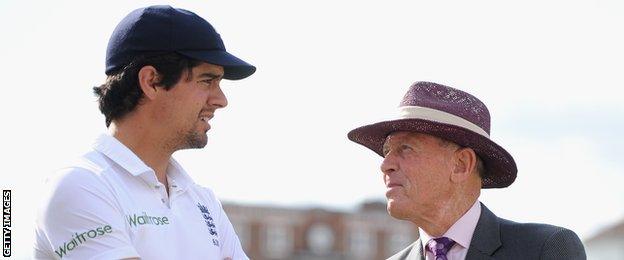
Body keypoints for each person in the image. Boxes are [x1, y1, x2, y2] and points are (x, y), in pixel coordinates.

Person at [33, 5, 255, 259]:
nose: (221, 99)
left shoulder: (204, 201)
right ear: (151, 81)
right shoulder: (81, 184)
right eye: (207, 81)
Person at [347, 81, 586, 260]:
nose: (385, 164)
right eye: (387, 150)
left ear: (461, 164)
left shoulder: (544, 249)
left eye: (406, 148)